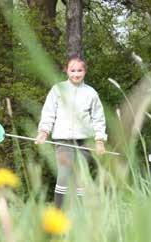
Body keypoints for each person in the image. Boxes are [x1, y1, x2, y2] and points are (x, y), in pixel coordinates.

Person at [35, 55, 107, 208]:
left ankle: (81, 214)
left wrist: (99, 141)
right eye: (72, 70)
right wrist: (43, 132)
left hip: (84, 141)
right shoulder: (57, 89)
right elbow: (49, 113)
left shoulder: (91, 93)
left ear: (85, 72)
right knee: (64, 175)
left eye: (79, 70)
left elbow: (98, 118)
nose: (76, 74)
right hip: (63, 140)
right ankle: (58, 214)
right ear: (66, 71)